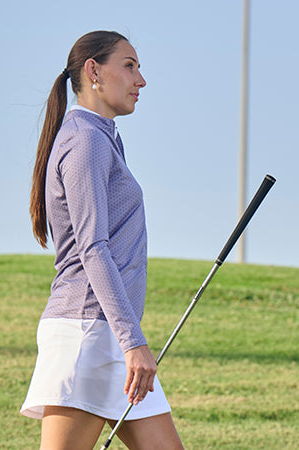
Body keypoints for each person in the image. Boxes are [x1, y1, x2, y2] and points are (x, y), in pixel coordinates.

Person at [18, 30, 181, 450]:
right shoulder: (86, 139)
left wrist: (127, 339)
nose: (140, 80)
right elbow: (93, 247)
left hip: (109, 335)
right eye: (129, 66)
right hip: (87, 333)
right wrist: (135, 342)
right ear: (93, 71)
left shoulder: (102, 137)